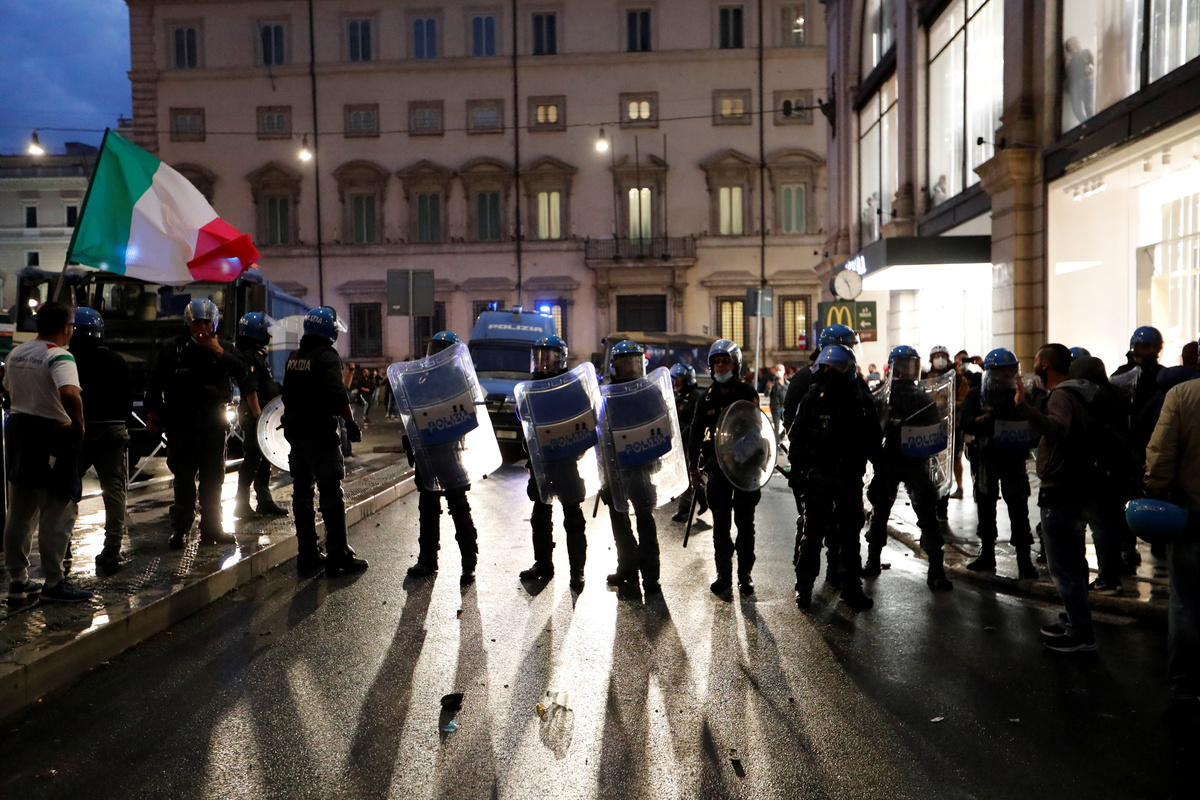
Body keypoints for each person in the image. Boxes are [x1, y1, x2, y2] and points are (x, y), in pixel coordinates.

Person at [3, 301, 92, 603]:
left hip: (19, 434)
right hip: (52, 436)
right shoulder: (59, 355)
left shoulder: (17, 353)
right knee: (57, 512)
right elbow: (69, 392)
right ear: (66, 327)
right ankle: (54, 582)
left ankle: (17, 580)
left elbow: (7, 387)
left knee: (20, 511)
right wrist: (78, 425)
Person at [145, 299, 246, 549]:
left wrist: (217, 351)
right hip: (181, 425)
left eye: (206, 323)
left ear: (214, 324)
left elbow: (242, 372)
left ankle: (212, 528)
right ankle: (181, 529)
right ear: (188, 323)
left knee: (213, 479)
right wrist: (153, 415)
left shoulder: (224, 347)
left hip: (213, 426)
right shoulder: (173, 348)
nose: (201, 327)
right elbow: (155, 383)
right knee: (183, 480)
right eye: (196, 322)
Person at [1016, 343, 1097, 652]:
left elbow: (1059, 429)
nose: (1034, 363)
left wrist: (1025, 408)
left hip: (1062, 489)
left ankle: (1080, 632)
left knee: (1064, 565)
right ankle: (1072, 618)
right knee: (1072, 560)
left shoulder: (1061, 395)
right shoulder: (1078, 393)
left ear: (1046, 365)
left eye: (1037, 358)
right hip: (1075, 485)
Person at [792, 345, 881, 612]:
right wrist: (798, 473)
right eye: (826, 367)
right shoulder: (811, 399)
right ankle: (804, 588)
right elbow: (798, 438)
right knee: (813, 535)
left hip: (849, 476)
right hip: (819, 476)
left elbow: (874, 440)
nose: (830, 372)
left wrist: (881, 474)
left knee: (849, 537)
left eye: (836, 367)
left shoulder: (861, 401)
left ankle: (851, 590)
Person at [281, 307, 367, 576]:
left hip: (296, 434)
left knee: (302, 492)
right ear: (329, 331)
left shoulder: (294, 358)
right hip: (319, 434)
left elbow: (287, 396)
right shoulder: (327, 358)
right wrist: (351, 424)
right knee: (330, 491)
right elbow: (338, 395)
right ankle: (338, 554)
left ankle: (307, 553)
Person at [866, 345, 953, 591]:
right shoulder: (885, 397)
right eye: (902, 366)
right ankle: (874, 559)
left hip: (911, 461)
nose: (905, 371)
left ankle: (935, 567)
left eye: (909, 366)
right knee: (883, 511)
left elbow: (935, 431)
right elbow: (872, 431)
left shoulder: (916, 398)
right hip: (893, 461)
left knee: (923, 514)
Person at [1144, 361, 1200, 721]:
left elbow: (1160, 454)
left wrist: (1155, 492)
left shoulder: (1183, 395)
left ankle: (1185, 692)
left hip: (1193, 516)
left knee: (1186, 605)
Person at [405, 331, 480, 585]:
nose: (436, 354)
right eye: (434, 348)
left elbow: (469, 416)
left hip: (449, 450)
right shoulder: (421, 378)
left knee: (458, 505)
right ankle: (428, 559)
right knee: (428, 506)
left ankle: (468, 562)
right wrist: (411, 439)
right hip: (427, 450)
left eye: (441, 349)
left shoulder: (459, 378)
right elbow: (412, 412)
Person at [688, 339, 762, 595]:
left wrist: (737, 454)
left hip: (746, 468)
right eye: (716, 362)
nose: (720, 366)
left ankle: (745, 575)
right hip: (717, 468)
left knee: (745, 522)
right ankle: (724, 575)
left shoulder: (746, 393)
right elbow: (695, 433)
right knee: (720, 523)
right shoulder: (706, 398)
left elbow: (757, 430)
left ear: (735, 364)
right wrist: (693, 468)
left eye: (725, 361)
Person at [518, 336, 589, 590]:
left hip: (566, 461)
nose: (543, 362)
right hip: (541, 462)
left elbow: (586, 421)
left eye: (548, 357)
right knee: (540, 516)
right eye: (540, 357)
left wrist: (575, 447)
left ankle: (577, 572)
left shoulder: (572, 386)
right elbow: (523, 418)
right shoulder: (531, 387)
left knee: (573, 518)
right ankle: (543, 565)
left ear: (560, 358)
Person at [959, 348, 1036, 578]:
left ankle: (1024, 560)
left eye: (1009, 371)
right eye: (1000, 372)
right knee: (985, 505)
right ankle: (987, 554)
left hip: (1014, 458)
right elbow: (966, 422)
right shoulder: (978, 394)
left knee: (1018, 507)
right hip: (986, 457)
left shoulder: (1021, 393)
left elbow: (1033, 420)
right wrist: (983, 419)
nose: (1005, 376)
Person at [70, 307, 133, 569]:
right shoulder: (116, 359)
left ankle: (63, 546)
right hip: (113, 430)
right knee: (114, 488)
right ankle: (112, 547)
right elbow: (127, 400)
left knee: (68, 488)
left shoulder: (67, 359)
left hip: (78, 429)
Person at [601, 340, 664, 594]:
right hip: (616, 469)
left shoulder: (650, 392)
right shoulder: (608, 395)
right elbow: (601, 432)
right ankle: (627, 568)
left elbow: (663, 429)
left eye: (633, 362)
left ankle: (651, 576)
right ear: (615, 366)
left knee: (645, 521)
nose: (629, 367)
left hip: (642, 468)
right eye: (624, 363)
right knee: (619, 521)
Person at [234, 312, 288, 519]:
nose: (269, 334)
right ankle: (241, 505)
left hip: (264, 414)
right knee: (252, 461)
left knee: (264, 460)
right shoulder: (248, 356)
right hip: (256, 416)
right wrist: (258, 416)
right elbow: (251, 390)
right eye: (265, 330)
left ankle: (264, 501)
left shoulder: (257, 355)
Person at [670, 362, 707, 523]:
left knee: (687, 474)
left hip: (690, 443)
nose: (675, 382)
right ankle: (704, 498)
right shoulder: (678, 397)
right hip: (678, 443)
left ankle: (684, 510)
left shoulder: (696, 398)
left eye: (678, 379)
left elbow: (698, 423)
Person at [1064, 36, 1096, 126]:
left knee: (1088, 105)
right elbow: (1066, 73)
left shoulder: (1086, 52)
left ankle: (1091, 125)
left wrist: (1090, 74)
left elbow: (1091, 64)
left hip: (1086, 80)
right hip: (1076, 82)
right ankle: (1086, 124)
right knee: (1076, 107)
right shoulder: (1069, 57)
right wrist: (1067, 64)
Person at [768, 364, 788, 444]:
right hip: (776, 407)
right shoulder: (772, 382)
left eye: (780, 370)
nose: (779, 372)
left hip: (785, 407)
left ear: (784, 371)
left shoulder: (787, 383)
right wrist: (769, 388)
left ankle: (780, 437)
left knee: (788, 424)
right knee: (777, 426)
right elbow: (766, 394)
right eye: (777, 370)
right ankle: (777, 443)